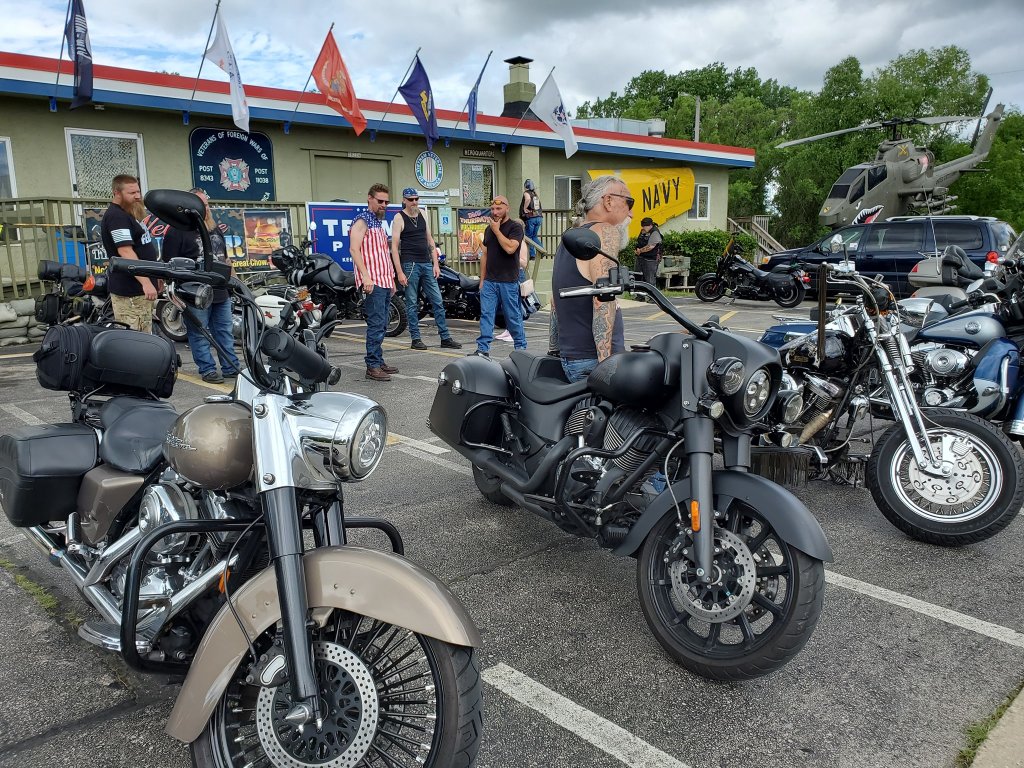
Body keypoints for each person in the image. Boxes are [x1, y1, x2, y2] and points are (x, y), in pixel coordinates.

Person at [549, 175, 631, 382]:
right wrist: (606, 366)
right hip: (595, 360)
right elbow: (603, 298)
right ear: (608, 201)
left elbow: (554, 301)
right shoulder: (605, 232)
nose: (631, 212)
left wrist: (554, 349)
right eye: (629, 202)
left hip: (572, 357)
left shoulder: (571, 236)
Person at [161, 188, 240, 384]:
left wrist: (236, 282)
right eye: (201, 204)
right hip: (195, 293)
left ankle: (231, 367)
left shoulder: (214, 228)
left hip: (220, 291)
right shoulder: (176, 231)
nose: (206, 208)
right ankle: (208, 369)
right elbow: (169, 264)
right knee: (199, 333)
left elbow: (225, 258)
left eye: (206, 204)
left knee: (224, 331)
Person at [391, 187, 462, 351]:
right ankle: (415, 338)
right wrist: (399, 272)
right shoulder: (399, 217)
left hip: (426, 263)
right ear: (404, 200)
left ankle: (445, 337)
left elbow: (430, 240)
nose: (414, 202)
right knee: (412, 303)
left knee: (437, 301)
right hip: (410, 264)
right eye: (411, 199)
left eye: (416, 199)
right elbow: (394, 247)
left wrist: (435, 264)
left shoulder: (422, 214)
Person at [350, 183, 400, 382]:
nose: (384, 205)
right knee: (377, 323)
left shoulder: (377, 222)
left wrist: (391, 279)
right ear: (369, 198)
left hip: (384, 280)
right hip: (373, 282)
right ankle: (372, 365)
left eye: (386, 202)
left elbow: (382, 254)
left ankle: (378, 360)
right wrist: (365, 276)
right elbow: (354, 250)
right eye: (380, 201)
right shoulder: (362, 221)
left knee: (383, 322)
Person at [100, 174, 158, 332]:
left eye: (138, 191)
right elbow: (125, 251)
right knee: (135, 338)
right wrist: (146, 283)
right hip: (130, 291)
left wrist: (155, 277)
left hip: (140, 290)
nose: (137, 196)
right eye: (132, 193)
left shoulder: (128, 213)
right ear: (117, 193)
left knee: (145, 335)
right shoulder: (116, 216)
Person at [475, 195, 526, 357]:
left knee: (512, 316)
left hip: (508, 281)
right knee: (486, 315)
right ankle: (483, 349)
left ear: (507, 209)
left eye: (499, 208)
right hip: (490, 281)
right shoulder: (488, 229)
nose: (495, 212)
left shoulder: (515, 227)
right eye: (492, 209)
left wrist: (497, 231)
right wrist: (482, 280)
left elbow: (510, 249)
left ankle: (520, 349)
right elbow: (485, 255)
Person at [634, 216, 663, 301]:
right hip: (641, 258)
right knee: (638, 277)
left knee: (650, 279)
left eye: (645, 226)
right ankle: (640, 296)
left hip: (651, 259)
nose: (643, 228)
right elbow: (639, 241)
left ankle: (653, 298)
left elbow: (650, 246)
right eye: (642, 226)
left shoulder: (655, 232)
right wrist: (637, 249)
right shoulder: (643, 231)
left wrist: (640, 251)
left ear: (650, 225)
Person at [519, 179, 543, 260]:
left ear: (526, 186)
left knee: (528, 237)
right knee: (534, 236)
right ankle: (542, 251)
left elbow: (528, 199)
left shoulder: (527, 193)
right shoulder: (535, 194)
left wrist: (525, 208)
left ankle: (532, 255)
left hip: (531, 218)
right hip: (539, 217)